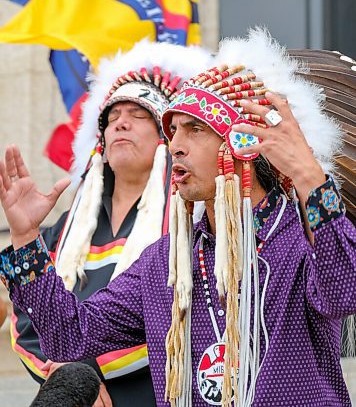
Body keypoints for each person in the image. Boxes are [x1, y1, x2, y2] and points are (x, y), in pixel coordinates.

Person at [0, 29, 356, 406]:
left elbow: (346, 290)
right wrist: (26, 236)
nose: (175, 145)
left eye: (194, 129)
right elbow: (69, 336)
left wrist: (306, 173)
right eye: (172, 131)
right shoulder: (165, 264)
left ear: (243, 143)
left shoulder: (301, 240)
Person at [7, 39, 211, 407]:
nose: (120, 124)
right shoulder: (64, 231)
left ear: (167, 138)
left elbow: (184, 316)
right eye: (112, 118)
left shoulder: (192, 225)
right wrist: (68, 372)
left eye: (137, 115)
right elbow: (26, 320)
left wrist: (81, 366)